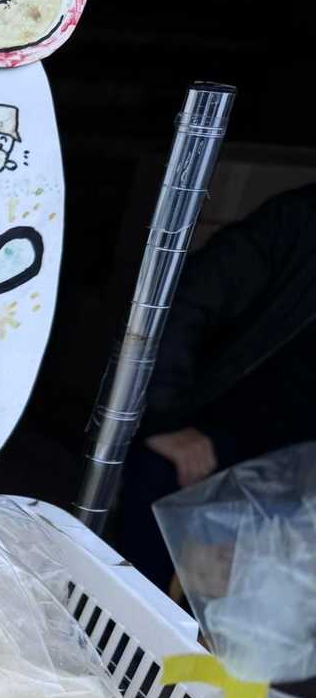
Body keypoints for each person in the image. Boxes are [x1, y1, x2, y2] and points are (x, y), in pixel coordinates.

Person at [120, 183, 316, 589]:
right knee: (142, 587)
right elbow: (183, 300)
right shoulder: (300, 221)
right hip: (216, 441)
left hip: (301, 474)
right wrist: (164, 421)